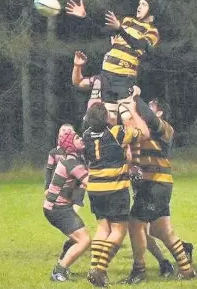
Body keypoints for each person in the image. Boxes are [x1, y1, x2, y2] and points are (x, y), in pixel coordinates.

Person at [121, 96, 196, 284]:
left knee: (135, 224)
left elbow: (146, 115)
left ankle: (139, 270)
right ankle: (186, 270)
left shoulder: (164, 128)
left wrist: (133, 98)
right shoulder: (143, 130)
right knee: (161, 230)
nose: (145, 112)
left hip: (156, 184)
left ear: (160, 112)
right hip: (154, 184)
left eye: (151, 107)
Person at [82, 93, 150, 287]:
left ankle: (96, 271)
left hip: (94, 188)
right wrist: (130, 111)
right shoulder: (116, 132)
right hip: (114, 187)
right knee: (119, 230)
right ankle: (99, 269)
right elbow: (143, 133)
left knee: (102, 228)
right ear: (105, 118)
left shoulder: (85, 135)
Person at [66, 0, 161, 123]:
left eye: (144, 4)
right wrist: (85, 17)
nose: (139, 7)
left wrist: (120, 30)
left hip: (124, 78)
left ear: (152, 10)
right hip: (107, 75)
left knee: (130, 122)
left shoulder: (152, 31)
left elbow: (139, 45)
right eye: (139, 4)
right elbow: (101, 32)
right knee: (108, 121)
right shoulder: (127, 21)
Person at [43, 128, 91, 282]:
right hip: (57, 208)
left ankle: (63, 263)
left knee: (78, 236)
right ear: (70, 143)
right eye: (77, 137)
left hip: (58, 207)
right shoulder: (71, 161)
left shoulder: (75, 158)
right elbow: (89, 182)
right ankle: (58, 271)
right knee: (84, 240)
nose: (81, 139)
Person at [44, 123, 85, 213]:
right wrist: (47, 187)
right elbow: (49, 170)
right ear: (59, 134)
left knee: (76, 203)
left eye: (69, 130)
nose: (67, 132)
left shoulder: (79, 153)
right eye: (64, 130)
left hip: (76, 184)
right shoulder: (54, 152)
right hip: (61, 184)